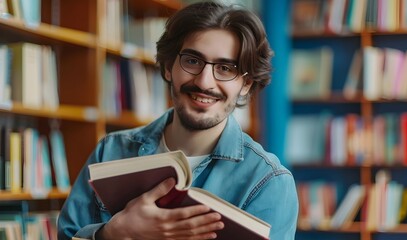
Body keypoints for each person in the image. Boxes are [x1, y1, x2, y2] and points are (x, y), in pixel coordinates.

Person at [57, 1, 298, 240]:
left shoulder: (269, 182)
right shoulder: (111, 151)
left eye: (225, 68)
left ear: (246, 84)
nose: (204, 82)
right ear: (169, 66)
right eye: (192, 61)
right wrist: (112, 234)